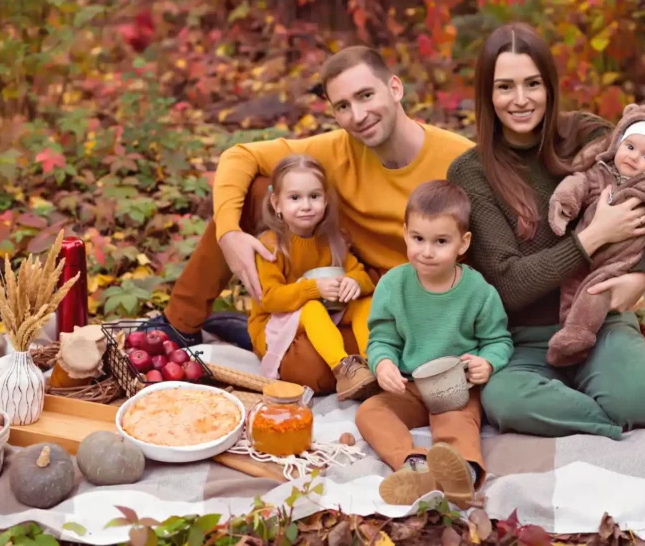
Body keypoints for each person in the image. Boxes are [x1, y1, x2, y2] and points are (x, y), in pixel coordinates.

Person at [447, 22, 645, 439]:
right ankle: (640, 402)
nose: (520, 100)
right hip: (520, 340)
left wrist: (643, 273)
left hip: (598, 320)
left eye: (533, 84)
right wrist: (594, 237)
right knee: (504, 402)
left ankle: (644, 388)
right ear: (487, 94)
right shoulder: (472, 172)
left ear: (550, 86)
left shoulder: (584, 135)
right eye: (505, 87)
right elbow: (509, 285)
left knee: (632, 390)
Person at [148, 46, 474, 394]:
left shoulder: (459, 159)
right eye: (343, 106)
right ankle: (181, 323)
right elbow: (240, 155)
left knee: (314, 373)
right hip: (343, 288)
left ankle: (249, 331)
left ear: (395, 88)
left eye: (366, 96)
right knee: (259, 188)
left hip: (414, 297)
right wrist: (229, 233)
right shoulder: (338, 149)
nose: (359, 115)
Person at [356, 180, 512, 508]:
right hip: (410, 385)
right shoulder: (393, 285)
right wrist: (382, 363)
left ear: (462, 243)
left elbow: (498, 340)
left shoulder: (477, 291)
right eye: (418, 239)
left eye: (440, 241)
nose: (427, 251)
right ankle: (415, 465)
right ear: (405, 233)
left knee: (459, 423)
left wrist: (488, 362)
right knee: (371, 412)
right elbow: (381, 339)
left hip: (456, 387)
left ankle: (462, 471)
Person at [545, 103, 645, 367]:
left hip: (619, 264)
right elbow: (577, 183)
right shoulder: (601, 171)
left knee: (593, 294)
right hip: (582, 254)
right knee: (570, 289)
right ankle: (567, 337)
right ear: (618, 143)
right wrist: (564, 205)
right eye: (629, 147)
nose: (633, 157)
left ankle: (576, 339)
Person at [248, 154, 378, 401]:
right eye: (295, 198)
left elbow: (361, 274)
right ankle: (343, 369)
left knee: (365, 302)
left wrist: (354, 282)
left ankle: (371, 364)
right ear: (276, 203)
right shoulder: (271, 246)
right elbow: (270, 299)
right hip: (275, 323)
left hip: (326, 311)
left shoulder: (332, 239)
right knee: (311, 308)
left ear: (325, 200)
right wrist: (313, 289)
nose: (306, 205)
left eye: (314, 196)